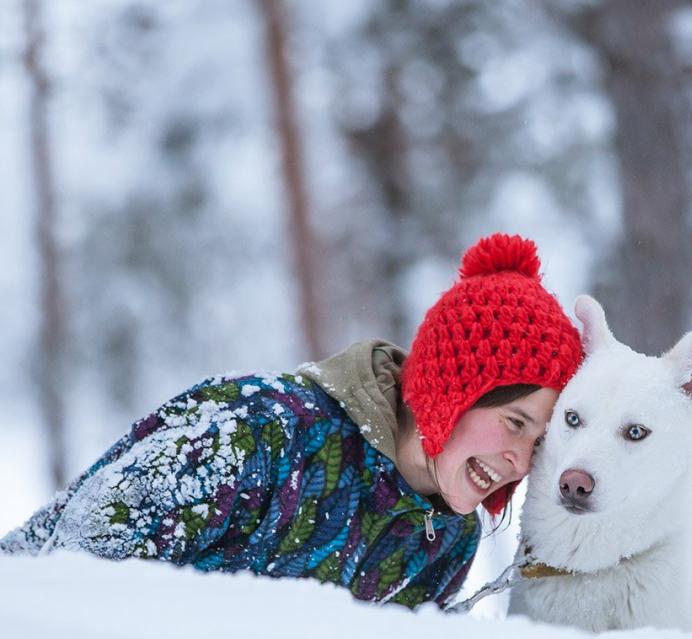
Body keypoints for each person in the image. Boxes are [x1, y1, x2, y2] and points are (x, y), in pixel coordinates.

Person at [1, 233, 583, 609]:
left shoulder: (449, 541)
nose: (524, 460)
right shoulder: (255, 430)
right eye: (515, 421)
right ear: (454, 388)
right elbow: (71, 575)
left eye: (542, 439)